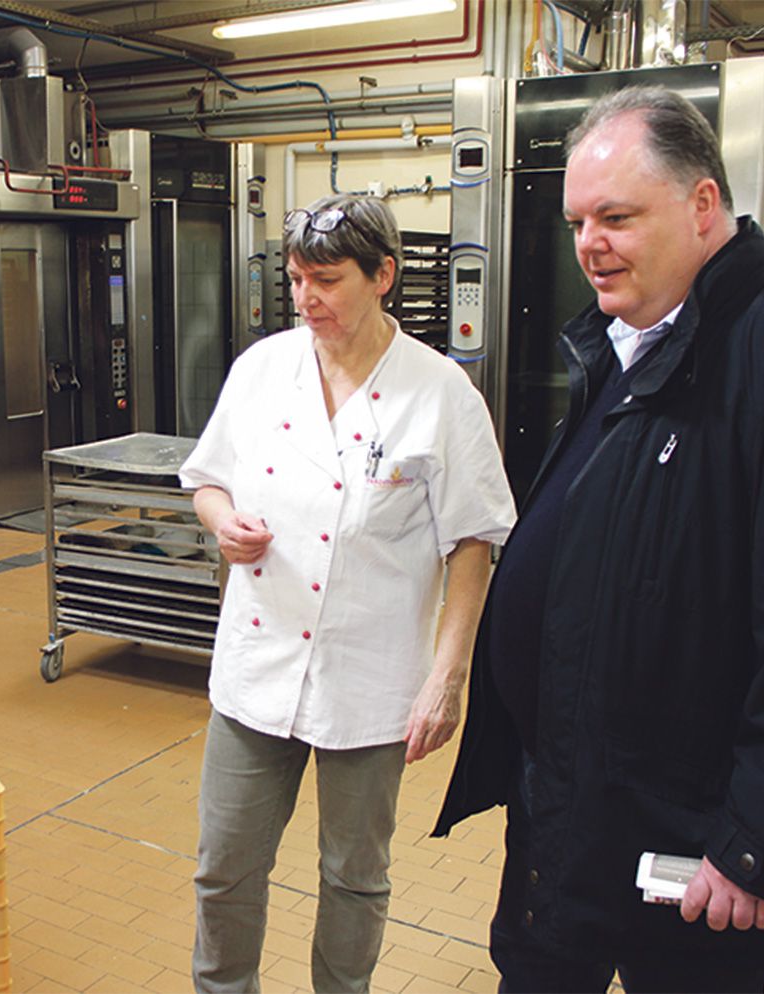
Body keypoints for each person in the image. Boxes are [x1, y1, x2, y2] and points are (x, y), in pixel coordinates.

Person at [434, 86, 764, 993]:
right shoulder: (625, 349)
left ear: (703, 205)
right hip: (570, 811)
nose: (588, 243)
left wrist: (759, 841)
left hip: (691, 850)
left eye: (617, 216)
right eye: (576, 221)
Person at [181, 193, 516, 993]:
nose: (306, 299)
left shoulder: (439, 393)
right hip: (258, 663)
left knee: (353, 875)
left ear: (384, 277)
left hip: (371, 676)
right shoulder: (263, 369)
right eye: (296, 280)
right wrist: (224, 522)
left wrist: (448, 675)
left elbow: (475, 537)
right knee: (224, 868)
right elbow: (207, 479)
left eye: (326, 280)